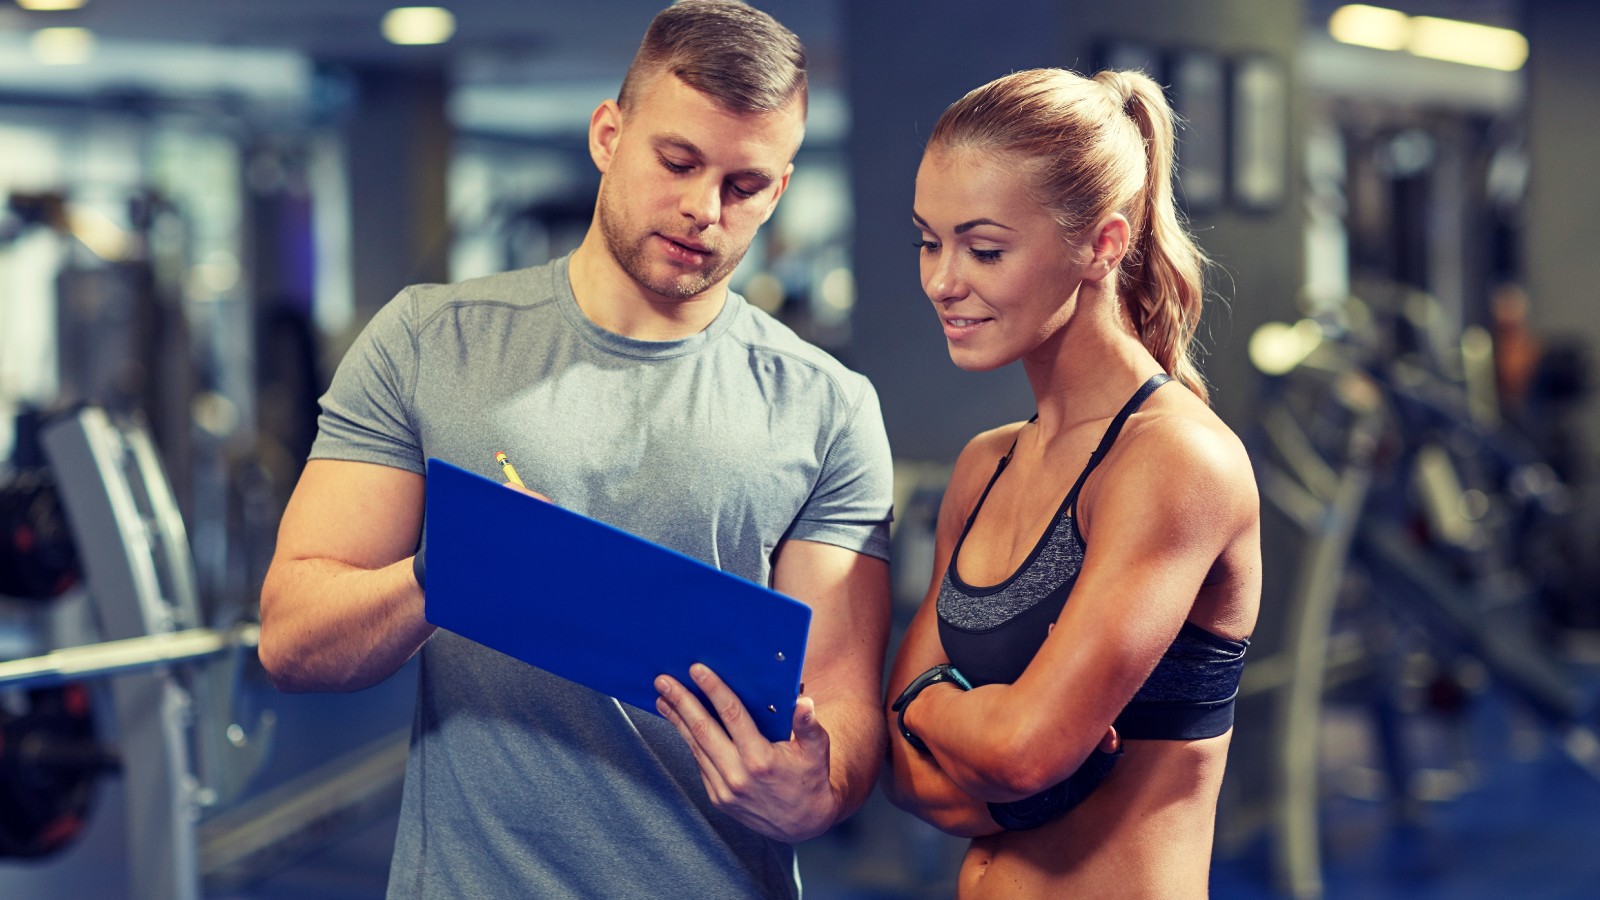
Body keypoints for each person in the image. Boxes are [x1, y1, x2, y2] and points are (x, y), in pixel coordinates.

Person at [257, 3, 895, 897]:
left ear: (780, 190)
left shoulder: (828, 408)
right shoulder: (428, 340)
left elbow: (847, 708)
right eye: (676, 162)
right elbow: (291, 640)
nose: (703, 209)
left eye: (744, 186)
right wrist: (450, 573)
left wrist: (815, 794)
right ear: (608, 134)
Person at [882, 67, 1261, 898]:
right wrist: (988, 751)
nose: (944, 280)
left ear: (1104, 244)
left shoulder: (1174, 461)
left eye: (984, 248)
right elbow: (903, 774)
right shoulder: (986, 466)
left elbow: (1023, 751)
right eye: (928, 241)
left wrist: (929, 706)